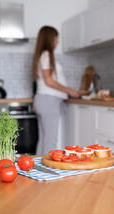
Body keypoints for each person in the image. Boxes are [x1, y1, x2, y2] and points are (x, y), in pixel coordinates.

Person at [32, 26, 80, 155]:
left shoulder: (42, 55)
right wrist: (70, 91)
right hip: (48, 101)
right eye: (55, 39)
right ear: (49, 39)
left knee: (43, 139)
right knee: (50, 140)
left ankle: (37, 169)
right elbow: (49, 80)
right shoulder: (46, 55)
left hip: (43, 99)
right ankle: (49, 172)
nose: (57, 42)